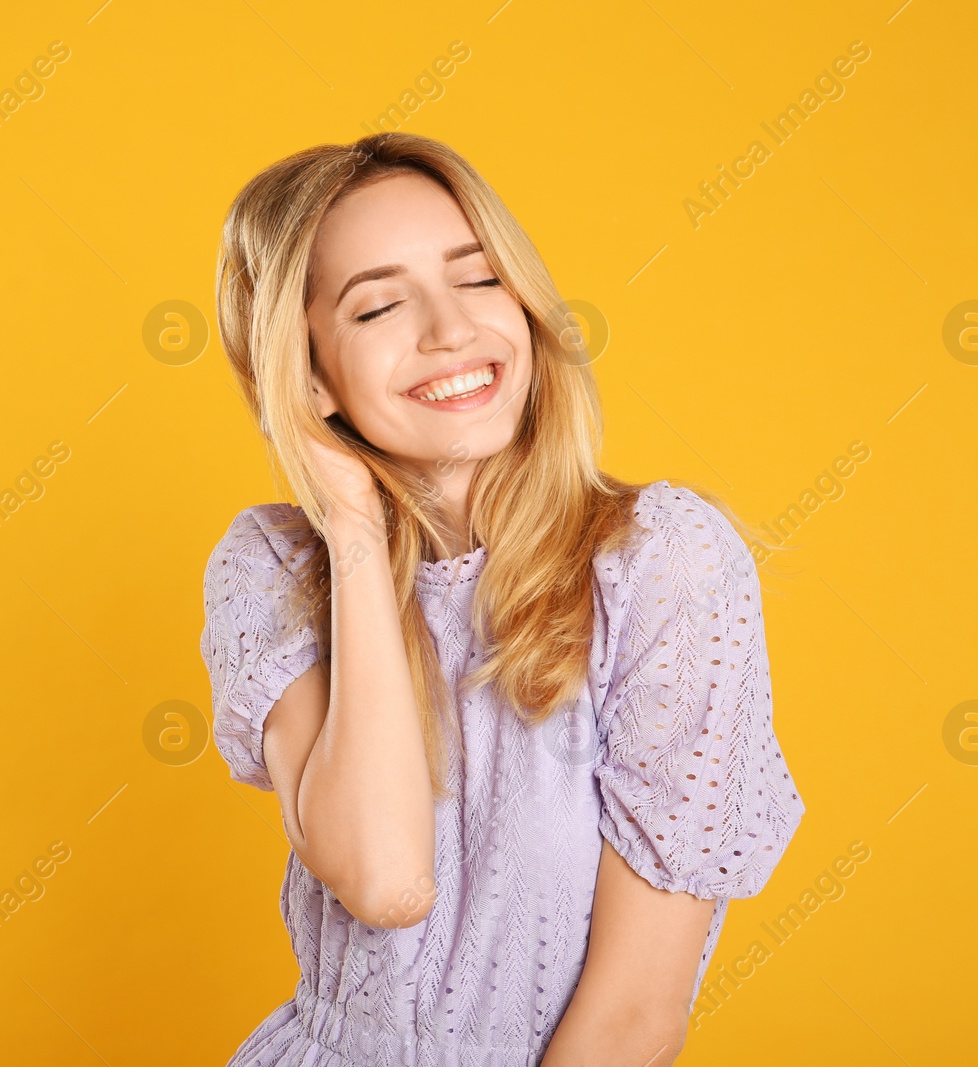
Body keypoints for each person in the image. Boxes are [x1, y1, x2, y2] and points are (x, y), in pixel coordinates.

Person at [200, 131, 805, 1067]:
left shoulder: (663, 567)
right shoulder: (278, 566)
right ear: (307, 375)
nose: (450, 331)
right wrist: (353, 526)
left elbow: (636, 1016)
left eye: (479, 279)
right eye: (379, 306)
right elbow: (384, 878)